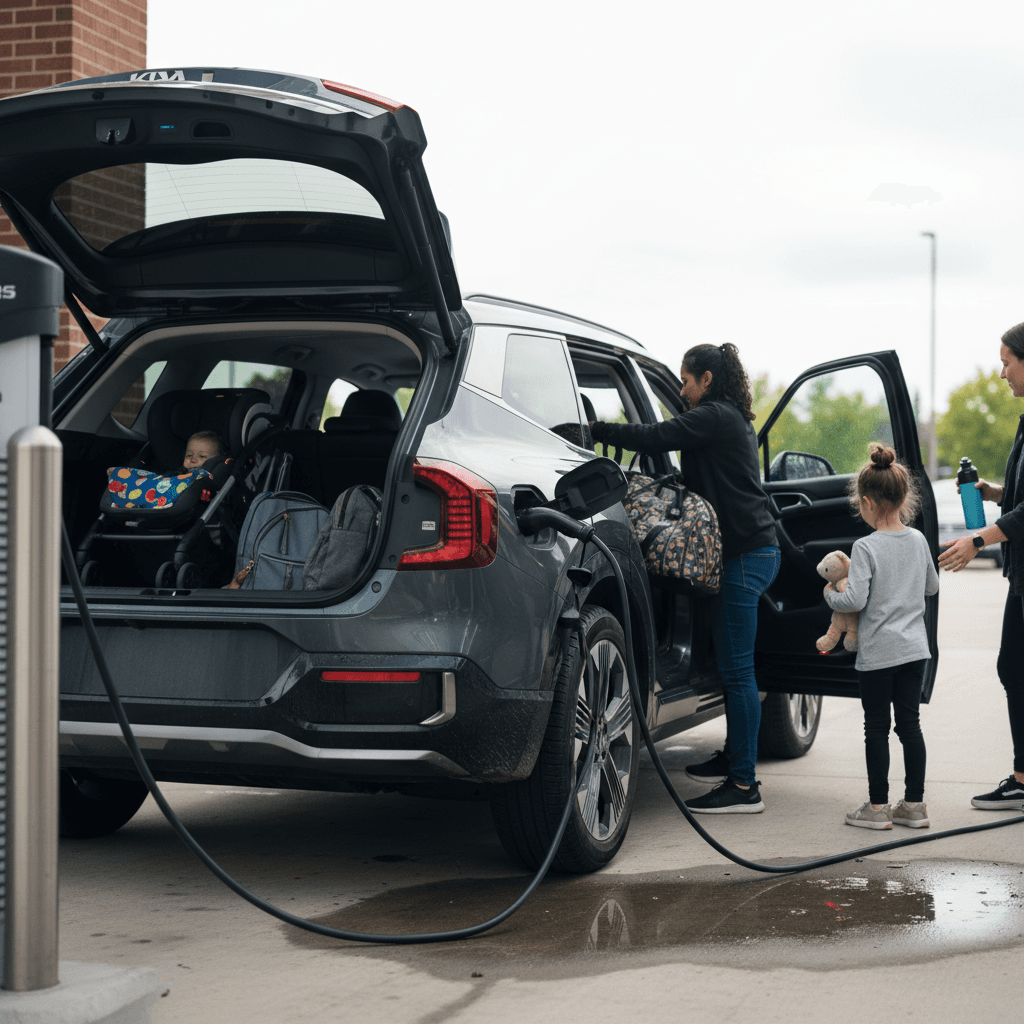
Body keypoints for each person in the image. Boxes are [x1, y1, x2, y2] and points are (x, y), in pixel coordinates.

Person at [589, 342, 779, 813]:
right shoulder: (729, 417)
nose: (681, 388)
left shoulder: (714, 416)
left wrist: (595, 430)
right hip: (746, 551)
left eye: (685, 380)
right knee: (732, 667)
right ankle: (736, 759)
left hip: (743, 556)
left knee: (737, 673)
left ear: (706, 379)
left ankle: (743, 788)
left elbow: (655, 437)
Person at [824, 444, 939, 829]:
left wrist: (830, 593)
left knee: (876, 726)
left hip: (878, 652)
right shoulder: (919, 540)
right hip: (914, 650)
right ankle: (914, 806)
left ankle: (876, 809)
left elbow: (854, 598)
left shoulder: (866, 547)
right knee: (910, 725)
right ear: (904, 497)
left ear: (868, 502)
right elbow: (932, 587)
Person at [938, 321, 1024, 811]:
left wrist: (978, 539)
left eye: (1007, 362)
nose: (1001, 374)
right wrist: (992, 492)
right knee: (1013, 668)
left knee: (1016, 668)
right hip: (1021, 575)